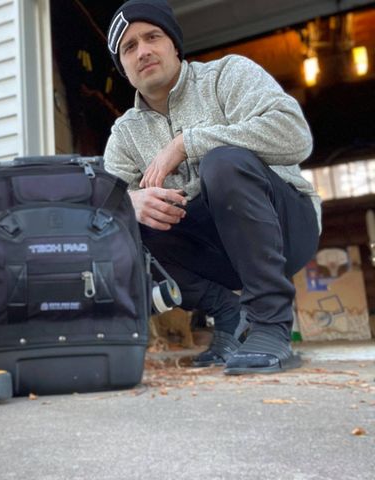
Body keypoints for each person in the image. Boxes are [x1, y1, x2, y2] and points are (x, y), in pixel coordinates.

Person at [104, 0, 321, 374]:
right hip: (212, 248)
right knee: (123, 222)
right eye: (129, 47)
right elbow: (97, 214)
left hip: (285, 227)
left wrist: (188, 143)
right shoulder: (124, 133)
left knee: (223, 163)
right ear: (123, 67)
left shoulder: (226, 76)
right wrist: (130, 202)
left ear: (174, 44)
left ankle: (270, 325)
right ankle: (227, 313)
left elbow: (295, 135)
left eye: (152, 37)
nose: (143, 51)